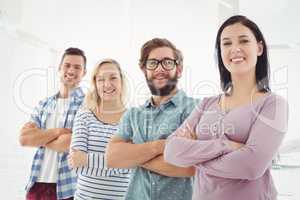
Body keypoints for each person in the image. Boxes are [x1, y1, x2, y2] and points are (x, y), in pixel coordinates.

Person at [164, 15, 288, 200]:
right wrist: (226, 145)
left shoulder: (273, 104)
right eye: (226, 43)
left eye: (244, 41)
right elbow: (171, 151)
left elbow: (251, 166)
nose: (235, 49)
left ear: (259, 48)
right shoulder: (207, 104)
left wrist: (195, 157)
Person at [105, 38, 198, 200]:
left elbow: (190, 166)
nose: (159, 69)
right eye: (153, 63)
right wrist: (160, 147)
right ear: (144, 70)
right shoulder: (132, 115)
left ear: (179, 69)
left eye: (167, 63)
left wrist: (132, 156)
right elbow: (112, 157)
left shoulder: (196, 109)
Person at [19, 48, 87, 200]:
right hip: (36, 184)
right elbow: (24, 139)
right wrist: (58, 132)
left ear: (84, 73)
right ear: (59, 68)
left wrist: (40, 138)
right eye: (67, 65)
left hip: (68, 188)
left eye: (77, 67)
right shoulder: (44, 104)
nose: (71, 70)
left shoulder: (88, 105)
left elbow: (70, 143)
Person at [68, 59, 131, 199]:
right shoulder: (84, 115)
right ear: (95, 84)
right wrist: (117, 163)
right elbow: (76, 164)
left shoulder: (133, 119)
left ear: (121, 81)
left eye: (113, 78)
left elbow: (132, 164)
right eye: (101, 79)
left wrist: (87, 160)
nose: (107, 84)